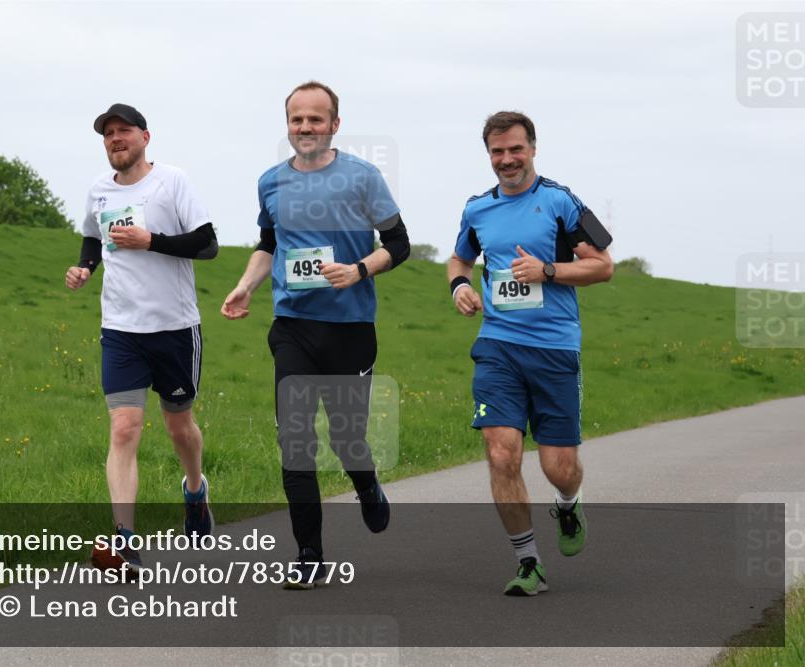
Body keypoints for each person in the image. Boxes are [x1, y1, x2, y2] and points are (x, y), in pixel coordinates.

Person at [221, 81, 411, 589]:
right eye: (297, 119)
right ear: (288, 125)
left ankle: (367, 485)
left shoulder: (363, 178)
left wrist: (359, 271)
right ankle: (309, 555)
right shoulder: (270, 182)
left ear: (334, 125)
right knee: (296, 441)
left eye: (316, 119)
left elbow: (399, 242)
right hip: (293, 329)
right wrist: (245, 287)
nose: (305, 128)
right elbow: (268, 244)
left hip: (350, 329)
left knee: (348, 439)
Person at [447, 111, 614, 596]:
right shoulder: (477, 209)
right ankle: (528, 563)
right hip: (498, 346)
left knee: (557, 466)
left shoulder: (560, 202)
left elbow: (603, 267)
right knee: (502, 454)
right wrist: (459, 285)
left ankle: (568, 502)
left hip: (555, 348)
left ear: (533, 148)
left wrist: (548, 271)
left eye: (515, 149)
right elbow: (461, 256)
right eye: (497, 152)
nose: (507, 160)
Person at [65, 103, 218, 572]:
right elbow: (94, 238)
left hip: (174, 329)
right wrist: (85, 267)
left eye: (123, 131)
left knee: (179, 429)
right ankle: (125, 542)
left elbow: (207, 244)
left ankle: (195, 488)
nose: (115, 139)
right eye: (108, 134)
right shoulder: (98, 190)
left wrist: (152, 241)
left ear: (145, 137)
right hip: (121, 330)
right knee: (124, 428)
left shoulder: (172, 182)